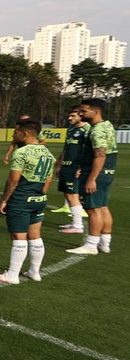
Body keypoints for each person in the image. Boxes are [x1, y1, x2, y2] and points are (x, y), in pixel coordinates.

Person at [0, 119, 55, 284]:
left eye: (16, 132)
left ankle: (12, 275)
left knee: (18, 236)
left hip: (21, 198)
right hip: (39, 199)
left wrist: (4, 200)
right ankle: (35, 271)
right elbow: (48, 179)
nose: (13, 135)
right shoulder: (48, 153)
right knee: (35, 236)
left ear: (25, 134)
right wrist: (39, 195)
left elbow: (13, 181)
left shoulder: (21, 153)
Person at [66, 99, 118, 255]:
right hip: (107, 172)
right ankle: (104, 243)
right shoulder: (106, 125)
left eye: (84, 111)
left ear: (96, 112)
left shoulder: (96, 130)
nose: (81, 114)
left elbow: (100, 156)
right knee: (102, 207)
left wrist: (91, 178)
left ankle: (91, 245)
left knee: (93, 209)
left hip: (97, 173)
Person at [55, 107, 90, 233]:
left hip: (75, 167)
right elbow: (66, 147)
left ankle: (78, 225)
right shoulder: (71, 129)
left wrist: (81, 166)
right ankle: (74, 223)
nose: (70, 118)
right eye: (70, 115)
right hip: (66, 166)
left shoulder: (87, 130)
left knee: (72, 194)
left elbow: (88, 151)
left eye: (73, 116)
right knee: (67, 193)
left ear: (81, 116)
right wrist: (59, 163)